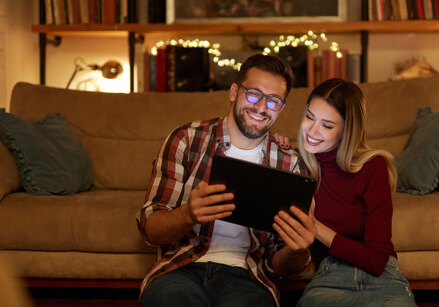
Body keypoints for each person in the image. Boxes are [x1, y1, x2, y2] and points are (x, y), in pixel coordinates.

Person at [136, 54, 317, 307]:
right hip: (181, 268)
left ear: (282, 108)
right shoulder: (186, 140)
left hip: (248, 277)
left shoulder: (290, 164)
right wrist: (189, 214)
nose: (262, 107)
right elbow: (149, 228)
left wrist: (296, 251)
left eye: (274, 101)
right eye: (253, 94)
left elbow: (281, 264)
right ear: (234, 92)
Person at [294, 78, 417, 307]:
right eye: (309, 117)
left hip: (382, 278)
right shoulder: (296, 164)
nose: (311, 131)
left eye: (327, 125)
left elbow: (377, 260)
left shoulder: (373, 167)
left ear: (346, 130)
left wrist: (315, 227)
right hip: (329, 275)